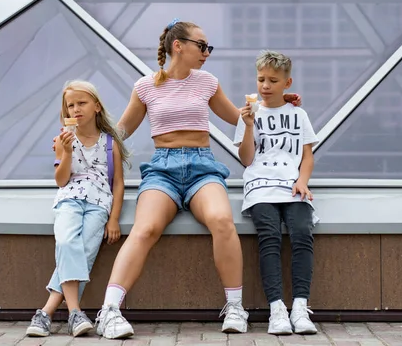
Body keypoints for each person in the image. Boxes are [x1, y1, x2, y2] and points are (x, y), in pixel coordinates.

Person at [93, 19, 302, 339]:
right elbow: (120, 133)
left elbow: (240, 117)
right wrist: (85, 144)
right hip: (162, 169)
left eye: (208, 47)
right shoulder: (146, 86)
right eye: (202, 46)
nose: (207, 52)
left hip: (202, 166)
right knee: (145, 228)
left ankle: (235, 307)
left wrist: (280, 102)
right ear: (179, 46)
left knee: (221, 220)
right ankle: (109, 311)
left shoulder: (206, 82)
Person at [26, 80, 130, 337]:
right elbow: (61, 180)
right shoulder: (62, 141)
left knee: (83, 251)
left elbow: (117, 183)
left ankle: (46, 312)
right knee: (66, 242)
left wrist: (114, 218)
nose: (75, 109)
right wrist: (68, 153)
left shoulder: (109, 143)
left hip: (99, 205)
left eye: (81, 103)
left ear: (96, 106)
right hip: (69, 199)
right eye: (70, 105)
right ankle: (74, 311)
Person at [234, 50, 318, 336]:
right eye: (260, 79)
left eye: (272, 80)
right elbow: (246, 159)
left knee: (302, 234)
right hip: (260, 188)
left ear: (287, 83)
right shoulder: (248, 115)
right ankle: (276, 309)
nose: (265, 86)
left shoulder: (298, 114)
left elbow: (307, 156)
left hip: (292, 187)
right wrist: (247, 127)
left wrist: (303, 181)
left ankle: (300, 306)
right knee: (268, 237)